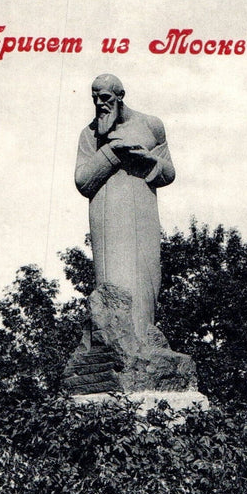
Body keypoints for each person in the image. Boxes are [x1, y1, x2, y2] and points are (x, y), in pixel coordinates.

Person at [75, 74, 175, 340]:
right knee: (111, 283)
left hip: (142, 212)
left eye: (105, 98)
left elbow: (169, 173)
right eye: (94, 98)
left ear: (120, 96)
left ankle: (143, 345)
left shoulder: (151, 126)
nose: (99, 104)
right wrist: (111, 154)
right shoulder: (89, 134)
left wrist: (149, 160)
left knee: (146, 278)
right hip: (106, 216)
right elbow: (83, 181)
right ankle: (116, 346)